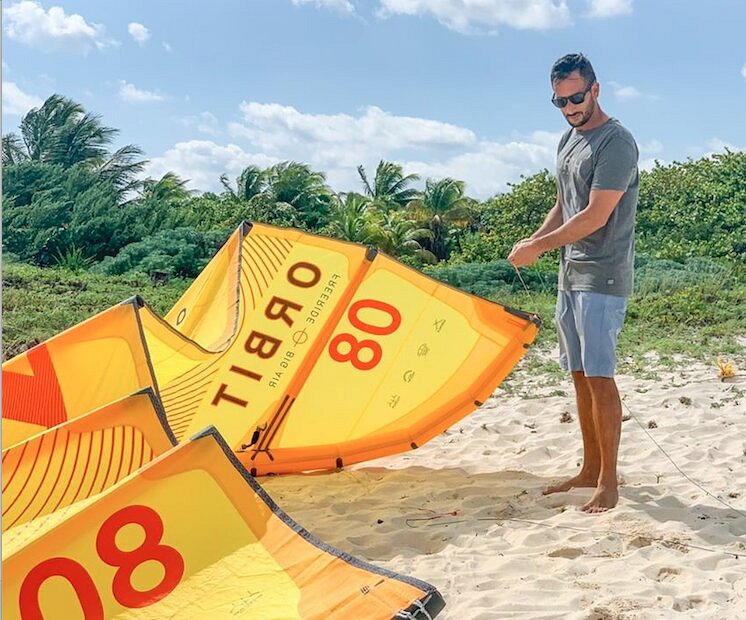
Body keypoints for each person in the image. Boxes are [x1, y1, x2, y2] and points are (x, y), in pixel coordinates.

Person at [508, 53, 639, 513]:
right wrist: (536, 239)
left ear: (596, 90)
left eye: (576, 98)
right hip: (571, 273)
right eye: (560, 101)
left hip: (602, 274)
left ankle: (609, 482)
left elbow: (596, 214)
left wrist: (539, 249)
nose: (569, 108)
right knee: (579, 375)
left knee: (601, 377)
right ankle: (588, 469)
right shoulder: (568, 139)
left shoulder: (616, 142)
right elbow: (565, 205)